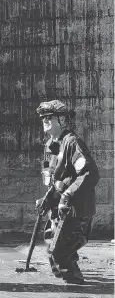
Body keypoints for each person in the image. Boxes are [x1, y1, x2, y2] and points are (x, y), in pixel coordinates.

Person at [36, 100, 99, 284]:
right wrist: (47, 199)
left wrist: (68, 194)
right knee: (51, 248)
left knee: (59, 251)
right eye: (43, 118)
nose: (45, 121)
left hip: (75, 208)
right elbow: (55, 178)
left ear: (62, 120)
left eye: (50, 117)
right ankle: (68, 279)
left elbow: (89, 173)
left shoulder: (72, 143)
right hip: (58, 208)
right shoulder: (51, 145)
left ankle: (77, 288)